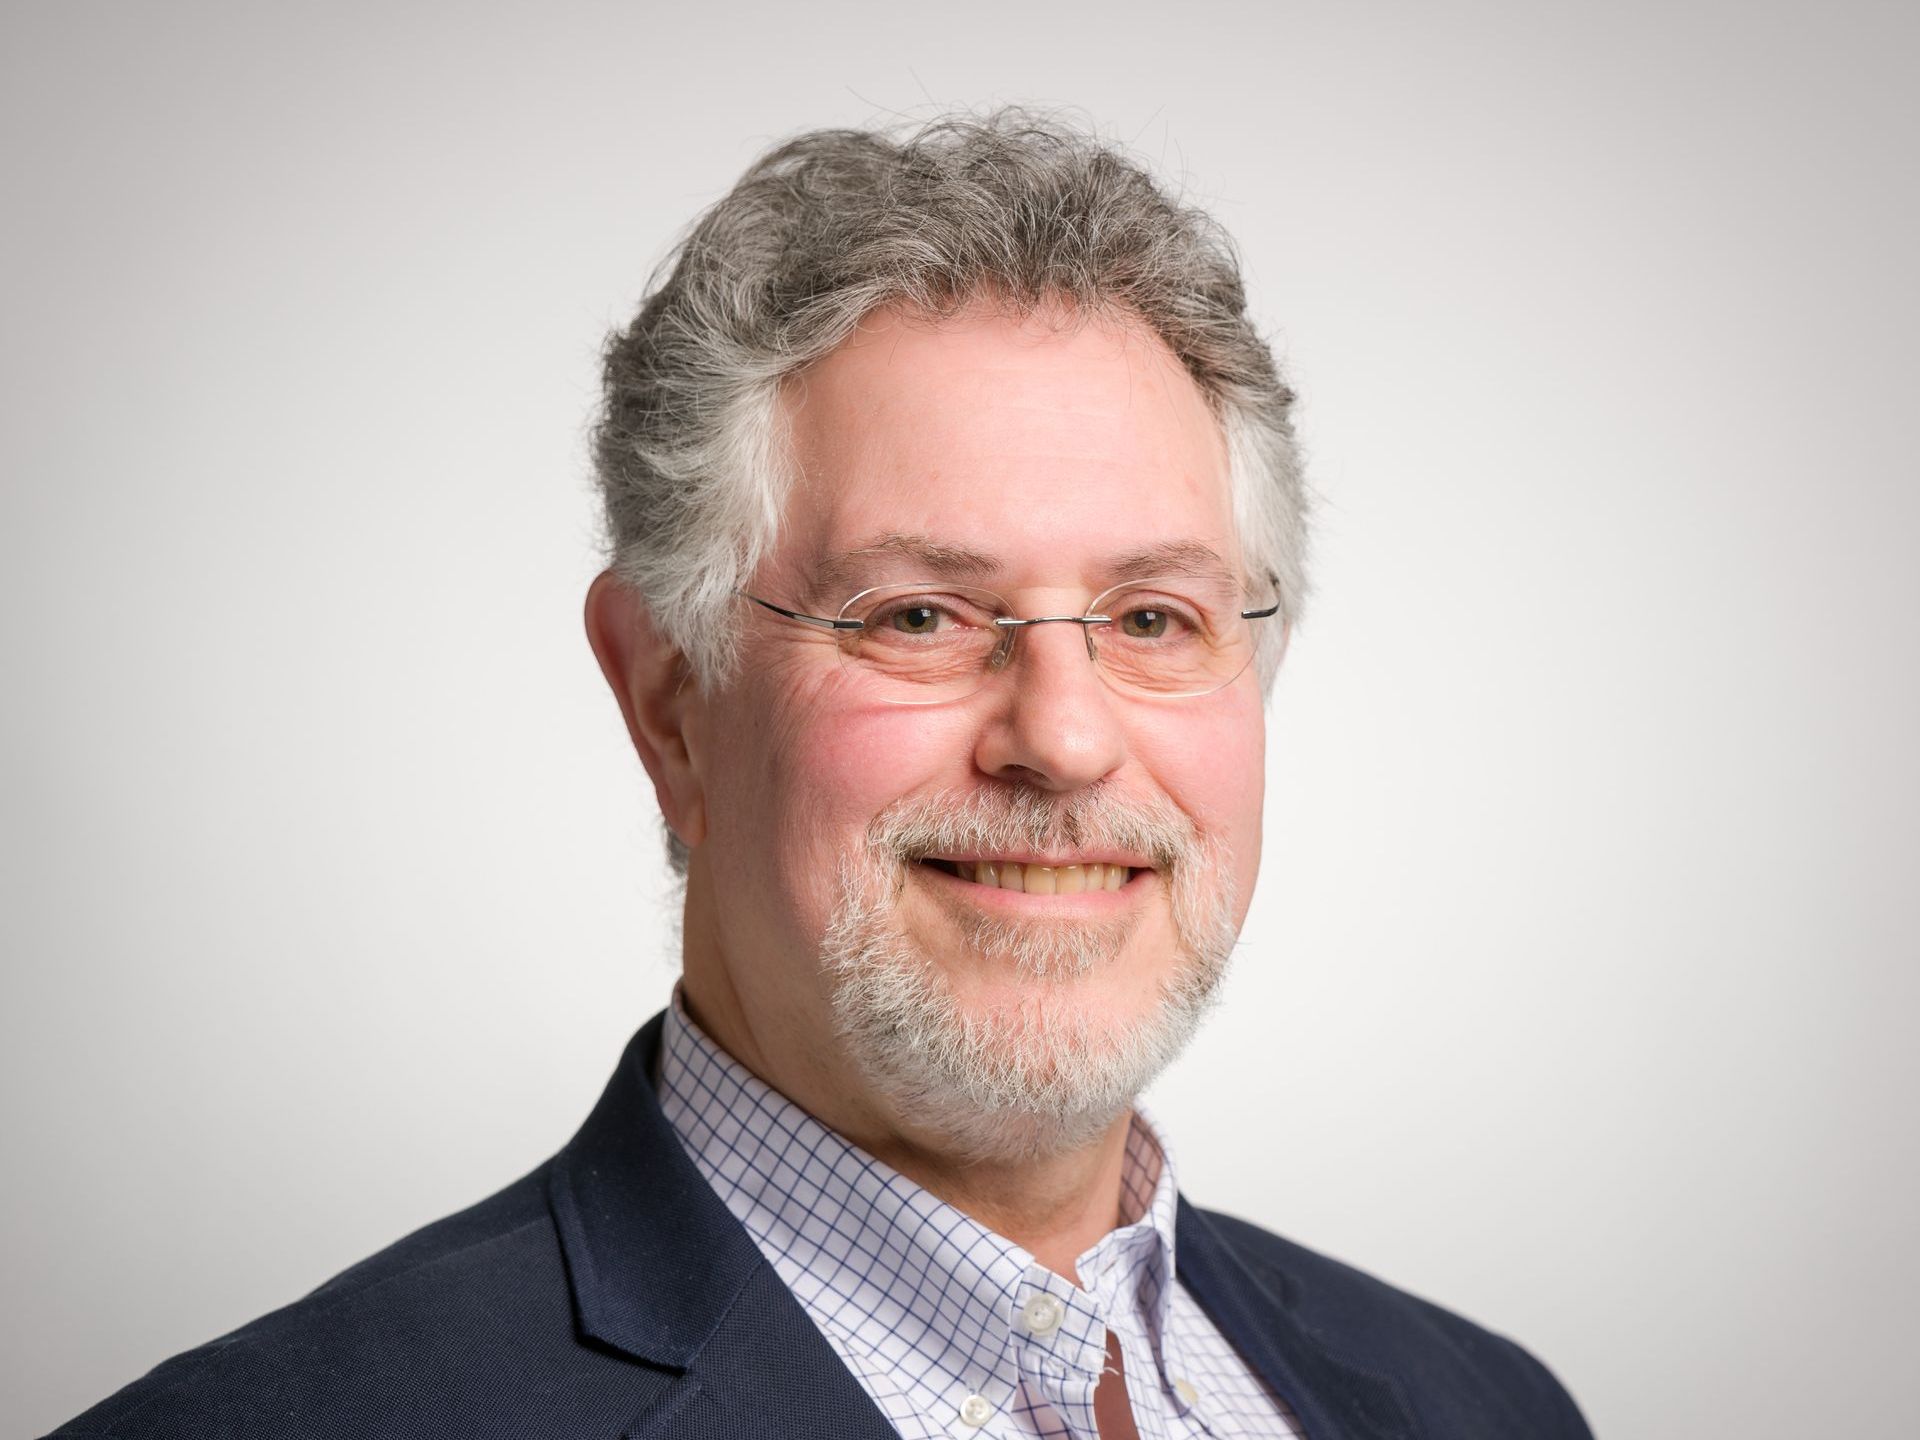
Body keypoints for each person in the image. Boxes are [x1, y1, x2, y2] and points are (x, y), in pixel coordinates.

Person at [46, 112, 1592, 1440]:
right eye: (918, 614)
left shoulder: (1479, 1405)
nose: (1060, 737)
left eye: (1150, 618)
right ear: (670, 703)